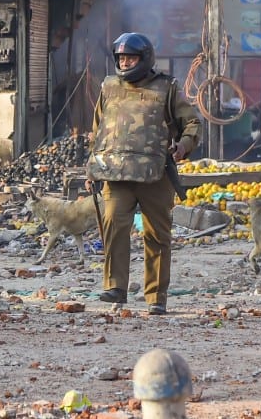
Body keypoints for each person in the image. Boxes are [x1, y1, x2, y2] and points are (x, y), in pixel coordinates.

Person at [86, 32, 199, 316]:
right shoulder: (109, 87)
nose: (125, 63)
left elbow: (192, 123)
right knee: (113, 225)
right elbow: (98, 130)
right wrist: (91, 167)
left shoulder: (167, 87)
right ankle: (115, 287)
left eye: (131, 57)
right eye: (121, 57)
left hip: (155, 174)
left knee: (157, 235)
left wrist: (182, 147)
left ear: (144, 59)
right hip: (115, 173)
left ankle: (156, 297)